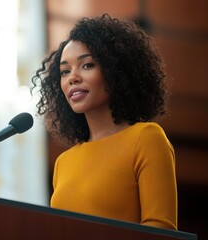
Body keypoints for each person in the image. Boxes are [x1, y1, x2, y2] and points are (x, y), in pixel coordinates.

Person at [31, 14, 177, 230]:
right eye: (64, 71)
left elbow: (160, 230)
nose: (73, 77)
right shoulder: (64, 162)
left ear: (115, 70)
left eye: (87, 65)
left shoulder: (146, 138)